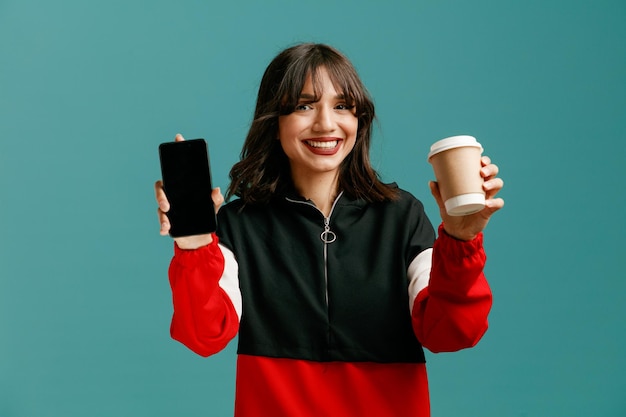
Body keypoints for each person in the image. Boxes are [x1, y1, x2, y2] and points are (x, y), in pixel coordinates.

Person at [155, 43, 504, 417]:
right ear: (275, 123)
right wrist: (194, 246)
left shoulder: (403, 216)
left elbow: (450, 333)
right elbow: (204, 335)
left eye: (342, 106)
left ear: (359, 121)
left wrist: (460, 241)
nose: (325, 124)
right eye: (304, 106)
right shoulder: (239, 225)